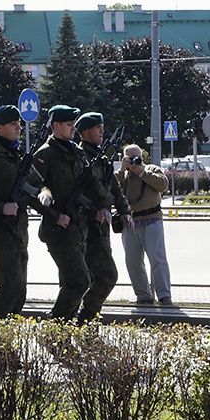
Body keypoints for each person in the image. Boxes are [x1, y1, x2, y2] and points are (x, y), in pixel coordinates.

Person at [33, 105, 113, 322]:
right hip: (57, 228)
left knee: (76, 281)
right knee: (78, 281)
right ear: (55, 125)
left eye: (74, 125)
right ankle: (56, 327)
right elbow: (34, 188)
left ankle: (65, 327)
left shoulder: (77, 153)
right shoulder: (44, 155)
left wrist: (104, 205)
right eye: (69, 125)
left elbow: (92, 184)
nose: (73, 129)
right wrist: (52, 210)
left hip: (79, 227)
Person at [0, 105, 46, 318]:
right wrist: (0, 207)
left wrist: (45, 195)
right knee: (10, 287)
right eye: (13, 124)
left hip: (19, 231)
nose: (18, 127)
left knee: (19, 292)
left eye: (19, 123)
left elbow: (37, 184)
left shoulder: (18, 155)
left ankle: (8, 338)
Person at [74, 112, 133, 322]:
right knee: (106, 276)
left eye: (102, 126)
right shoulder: (80, 157)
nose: (102, 131)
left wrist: (124, 211)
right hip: (84, 226)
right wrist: (97, 210)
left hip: (100, 228)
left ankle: (88, 319)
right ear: (84, 132)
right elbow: (77, 194)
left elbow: (115, 189)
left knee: (98, 277)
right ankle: (85, 317)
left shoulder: (102, 158)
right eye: (97, 127)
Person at [115, 144, 172, 305]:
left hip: (152, 219)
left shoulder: (152, 169)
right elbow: (110, 188)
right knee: (132, 261)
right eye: (129, 159)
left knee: (157, 259)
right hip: (130, 222)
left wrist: (142, 173)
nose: (134, 162)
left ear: (142, 157)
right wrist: (121, 170)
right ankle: (143, 295)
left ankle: (164, 295)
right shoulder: (123, 176)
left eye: (136, 158)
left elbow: (163, 185)